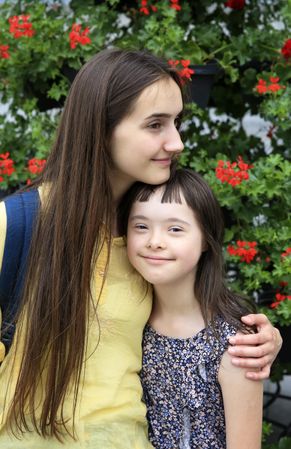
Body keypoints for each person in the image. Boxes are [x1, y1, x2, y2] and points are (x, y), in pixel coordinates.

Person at [0, 49, 281, 448]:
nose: (177, 141)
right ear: (102, 128)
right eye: (155, 124)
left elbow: (192, 319)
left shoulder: (147, 238)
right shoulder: (17, 225)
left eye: (176, 122)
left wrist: (258, 339)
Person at [122, 168, 263, 449]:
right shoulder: (126, 320)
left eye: (175, 229)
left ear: (205, 241)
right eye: (141, 226)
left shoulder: (234, 344)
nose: (155, 241)